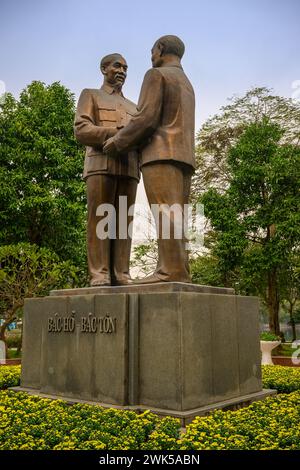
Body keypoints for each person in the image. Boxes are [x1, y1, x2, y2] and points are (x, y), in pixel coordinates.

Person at [104, 36, 195, 283]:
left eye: (152, 50)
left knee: (166, 210)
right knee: (179, 213)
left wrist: (118, 141)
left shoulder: (156, 75)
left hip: (160, 153)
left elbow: (146, 118)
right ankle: (178, 270)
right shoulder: (186, 82)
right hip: (184, 156)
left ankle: (169, 271)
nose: (151, 56)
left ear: (161, 49)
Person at [74, 53, 139, 286]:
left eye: (125, 68)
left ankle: (121, 273)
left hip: (129, 167)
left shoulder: (135, 106)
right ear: (104, 69)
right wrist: (117, 134)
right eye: (117, 66)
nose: (122, 71)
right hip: (99, 164)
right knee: (100, 218)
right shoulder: (90, 95)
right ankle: (99, 273)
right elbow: (81, 129)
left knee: (123, 222)